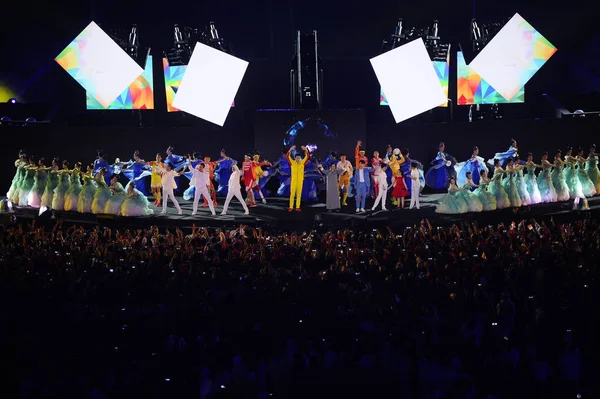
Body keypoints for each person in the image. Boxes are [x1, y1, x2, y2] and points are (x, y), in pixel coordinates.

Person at [287, 145, 310, 212]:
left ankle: (297, 206)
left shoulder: (302, 163)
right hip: (293, 181)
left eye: (299, 158)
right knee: (292, 194)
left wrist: (306, 149)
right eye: (297, 158)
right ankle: (291, 207)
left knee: (299, 194)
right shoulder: (292, 163)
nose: (298, 159)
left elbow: (307, 156)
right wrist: (290, 149)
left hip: (300, 181)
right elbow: (287, 156)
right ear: (295, 158)